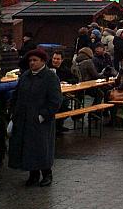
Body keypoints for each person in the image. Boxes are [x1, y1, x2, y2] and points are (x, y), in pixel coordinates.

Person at [8, 48, 62, 187]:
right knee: (28, 147)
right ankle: (33, 174)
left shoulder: (50, 77)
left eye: (35, 60)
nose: (32, 63)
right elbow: (17, 95)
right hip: (23, 118)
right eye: (30, 60)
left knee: (41, 147)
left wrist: (42, 116)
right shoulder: (25, 76)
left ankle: (46, 173)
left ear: (43, 61)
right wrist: (13, 111)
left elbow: (55, 100)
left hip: (40, 120)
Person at [49, 51, 75, 135]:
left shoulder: (65, 69)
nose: (55, 61)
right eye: (54, 58)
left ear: (62, 60)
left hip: (62, 92)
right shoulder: (47, 68)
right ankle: (55, 125)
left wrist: (66, 82)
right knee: (61, 101)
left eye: (58, 59)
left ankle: (59, 124)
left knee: (64, 101)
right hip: (49, 94)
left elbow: (75, 79)